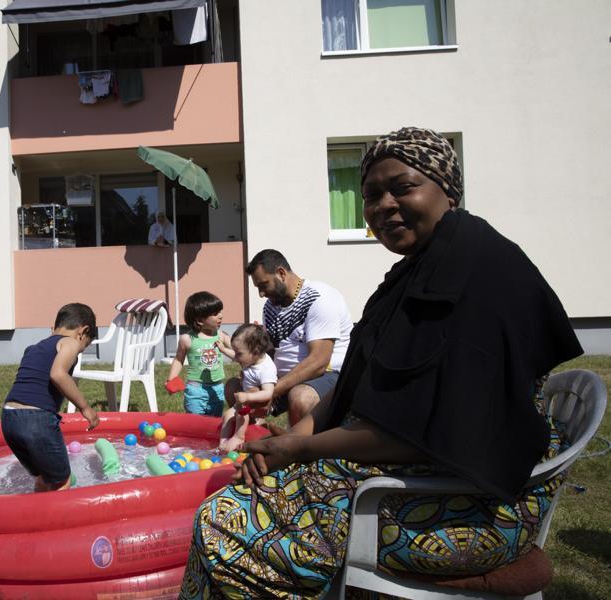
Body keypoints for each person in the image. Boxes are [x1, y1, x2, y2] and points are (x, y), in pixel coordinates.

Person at [180, 127, 583, 598]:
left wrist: (301, 450)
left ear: (446, 189)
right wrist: (289, 439)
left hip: (475, 505)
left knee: (224, 525)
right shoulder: (413, 273)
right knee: (235, 498)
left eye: (403, 187)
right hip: (416, 475)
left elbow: (433, 428)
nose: (383, 205)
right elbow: (350, 390)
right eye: (371, 195)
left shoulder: (482, 275)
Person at [232, 249, 353, 430]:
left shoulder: (319, 298)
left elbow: (319, 362)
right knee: (235, 388)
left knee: (300, 396)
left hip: (329, 375)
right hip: (285, 380)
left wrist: (272, 392)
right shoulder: (270, 307)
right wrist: (255, 376)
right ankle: (256, 439)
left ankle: (301, 452)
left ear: (281, 273)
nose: (261, 294)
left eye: (263, 285)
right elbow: (271, 351)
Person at [1, 303, 99, 492]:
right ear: (82, 331)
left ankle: (35, 516)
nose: (79, 350)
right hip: (36, 419)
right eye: (84, 346)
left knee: (45, 478)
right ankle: (61, 521)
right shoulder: (70, 342)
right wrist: (85, 408)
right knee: (62, 480)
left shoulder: (33, 348)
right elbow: (58, 374)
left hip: (9, 418)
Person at [166, 291, 231, 417]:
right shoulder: (187, 339)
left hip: (217, 388)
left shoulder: (221, 336)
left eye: (220, 312)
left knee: (214, 423)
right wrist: (171, 379)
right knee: (195, 423)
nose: (221, 316)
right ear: (200, 320)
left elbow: (239, 350)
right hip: (196, 390)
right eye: (215, 314)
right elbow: (179, 359)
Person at [216, 323, 276, 452]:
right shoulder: (249, 358)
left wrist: (248, 396)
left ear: (255, 352)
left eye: (239, 353)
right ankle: (222, 444)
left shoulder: (266, 368)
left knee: (240, 413)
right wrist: (223, 349)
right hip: (246, 401)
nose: (236, 357)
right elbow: (234, 355)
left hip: (258, 405)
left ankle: (239, 437)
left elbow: (268, 393)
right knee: (227, 415)